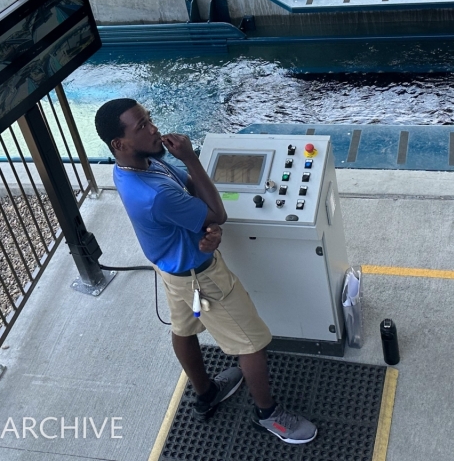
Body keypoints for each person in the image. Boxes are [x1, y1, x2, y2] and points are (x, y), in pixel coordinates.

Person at [94, 98, 317, 445]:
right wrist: (192, 159)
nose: (153, 128)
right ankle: (268, 414)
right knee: (251, 342)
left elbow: (191, 194)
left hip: (171, 270)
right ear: (119, 144)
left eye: (149, 119)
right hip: (201, 277)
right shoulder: (154, 194)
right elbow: (217, 213)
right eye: (142, 126)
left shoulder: (135, 166)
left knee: (183, 328)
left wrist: (203, 226)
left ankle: (207, 392)